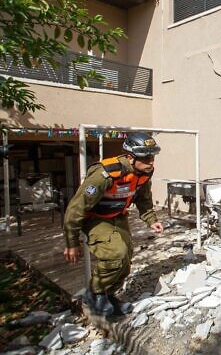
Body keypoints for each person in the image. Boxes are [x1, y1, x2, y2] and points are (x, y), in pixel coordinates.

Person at [63, 132, 164, 316]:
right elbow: (75, 209)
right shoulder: (105, 174)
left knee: (126, 258)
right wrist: (71, 242)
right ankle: (95, 294)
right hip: (95, 217)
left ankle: (108, 295)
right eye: (146, 157)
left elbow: (143, 199)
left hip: (118, 216)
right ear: (130, 157)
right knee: (116, 253)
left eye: (152, 156)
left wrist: (151, 220)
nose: (151, 161)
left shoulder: (144, 172)